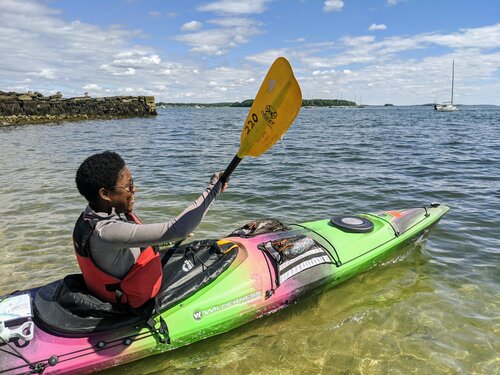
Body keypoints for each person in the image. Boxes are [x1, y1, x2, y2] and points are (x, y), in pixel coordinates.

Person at [73, 151, 227, 308]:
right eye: (128, 186)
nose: (135, 189)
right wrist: (213, 189)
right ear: (105, 194)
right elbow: (178, 229)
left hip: (117, 284)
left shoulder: (90, 215)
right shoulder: (106, 232)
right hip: (130, 300)